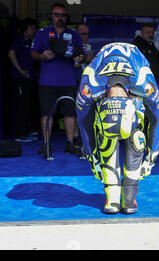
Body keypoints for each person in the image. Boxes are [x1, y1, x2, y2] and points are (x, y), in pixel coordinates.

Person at [76, 42, 159, 214]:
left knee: (137, 136)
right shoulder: (89, 86)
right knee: (105, 136)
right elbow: (84, 120)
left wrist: (151, 155)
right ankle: (112, 193)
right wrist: (92, 156)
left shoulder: (144, 84)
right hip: (104, 76)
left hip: (134, 70)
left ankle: (130, 193)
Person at [31, 2, 86, 157]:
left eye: (62, 15)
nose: (59, 18)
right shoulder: (42, 33)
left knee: (70, 113)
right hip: (47, 82)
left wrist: (81, 57)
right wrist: (42, 56)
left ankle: (70, 143)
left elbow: (83, 55)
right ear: (51, 16)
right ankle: (46, 144)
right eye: (56, 15)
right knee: (47, 114)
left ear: (66, 17)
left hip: (68, 81)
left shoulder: (74, 34)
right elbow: (33, 53)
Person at [8, 18, 38, 142]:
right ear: (25, 28)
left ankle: (25, 130)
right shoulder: (19, 40)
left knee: (28, 105)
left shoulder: (30, 41)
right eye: (31, 28)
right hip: (20, 78)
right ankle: (20, 135)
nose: (33, 30)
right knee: (22, 106)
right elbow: (11, 54)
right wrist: (20, 70)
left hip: (29, 78)